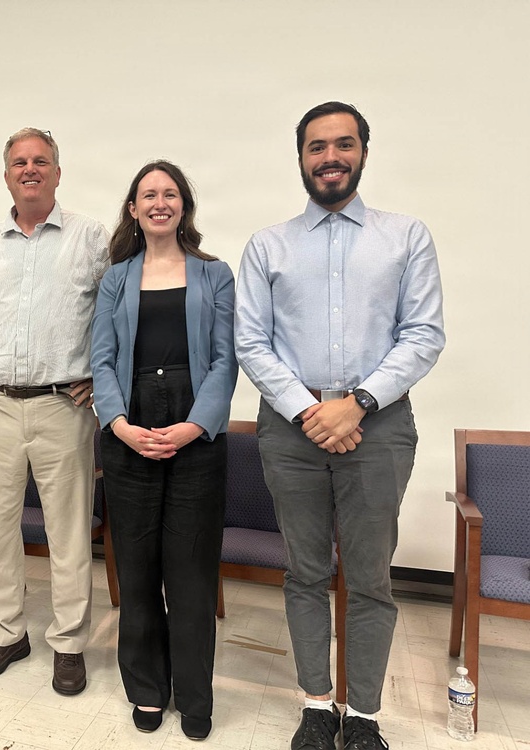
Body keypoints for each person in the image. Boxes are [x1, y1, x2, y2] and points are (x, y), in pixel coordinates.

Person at [234, 101, 445, 750]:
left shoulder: (405, 236)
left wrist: (355, 403)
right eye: (317, 146)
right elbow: (251, 340)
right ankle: (317, 704)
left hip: (377, 429)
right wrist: (308, 409)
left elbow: (424, 335)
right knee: (303, 572)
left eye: (343, 144)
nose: (330, 157)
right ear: (300, 158)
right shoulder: (268, 245)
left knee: (371, 576)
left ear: (363, 152)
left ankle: (364, 716)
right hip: (291, 432)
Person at [0, 127, 109, 695]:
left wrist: (101, 373)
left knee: (69, 534)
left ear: (57, 173)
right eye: (19, 162)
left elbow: (113, 317)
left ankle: (68, 644)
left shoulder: (91, 238)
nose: (30, 169)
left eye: (40, 161)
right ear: (6, 176)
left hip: (61, 408)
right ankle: (6, 633)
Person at [91, 161, 237, 738]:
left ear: (184, 206)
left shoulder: (215, 274)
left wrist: (196, 425)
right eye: (148, 194)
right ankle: (147, 688)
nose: (159, 202)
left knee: (192, 568)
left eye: (170, 193)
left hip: (195, 435)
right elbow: (101, 360)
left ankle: (195, 696)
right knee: (138, 565)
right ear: (133, 208)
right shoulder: (116, 278)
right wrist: (119, 425)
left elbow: (226, 360)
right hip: (129, 431)